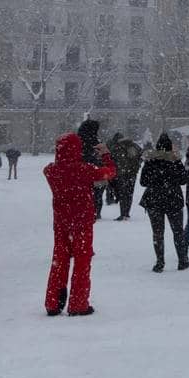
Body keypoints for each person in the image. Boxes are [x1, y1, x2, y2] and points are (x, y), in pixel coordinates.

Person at [42, 132, 117, 315]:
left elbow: (52, 168)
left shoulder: (51, 171)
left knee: (59, 262)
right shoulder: (84, 170)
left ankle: (53, 302)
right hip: (82, 222)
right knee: (82, 263)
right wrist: (105, 154)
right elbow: (110, 172)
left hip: (61, 223)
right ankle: (77, 303)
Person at [138, 134, 189, 272]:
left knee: (157, 233)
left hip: (154, 200)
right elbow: (184, 180)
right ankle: (182, 260)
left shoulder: (151, 161)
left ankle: (160, 262)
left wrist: (155, 179)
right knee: (178, 231)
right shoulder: (175, 161)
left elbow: (143, 182)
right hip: (173, 199)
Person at [107, 133, 143, 219]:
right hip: (132, 173)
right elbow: (141, 155)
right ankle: (127, 213)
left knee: (123, 193)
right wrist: (137, 165)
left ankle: (123, 213)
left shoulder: (117, 147)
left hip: (121, 174)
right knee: (130, 193)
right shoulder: (134, 146)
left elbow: (111, 159)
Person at [78, 119, 108, 220]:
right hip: (97, 171)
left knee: (85, 194)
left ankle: (87, 211)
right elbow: (104, 157)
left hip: (82, 172)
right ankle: (96, 212)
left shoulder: (78, 142)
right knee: (98, 194)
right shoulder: (97, 143)